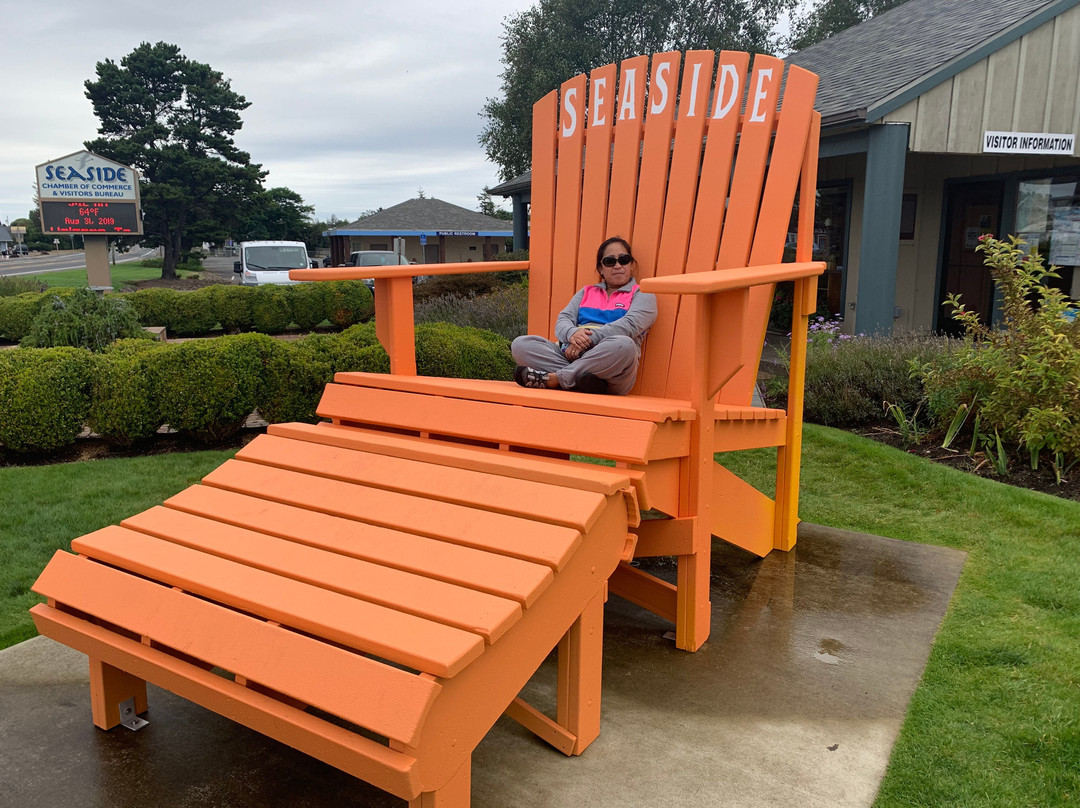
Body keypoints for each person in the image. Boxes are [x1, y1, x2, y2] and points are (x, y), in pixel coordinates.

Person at [511, 236, 657, 395]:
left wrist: (586, 342)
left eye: (624, 260)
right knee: (521, 344)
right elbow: (563, 320)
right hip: (571, 355)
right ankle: (584, 382)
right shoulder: (587, 292)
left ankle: (556, 379)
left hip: (610, 367)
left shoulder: (643, 293)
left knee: (625, 345)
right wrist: (572, 333)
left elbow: (629, 326)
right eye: (610, 261)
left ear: (631, 264)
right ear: (600, 269)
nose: (617, 265)